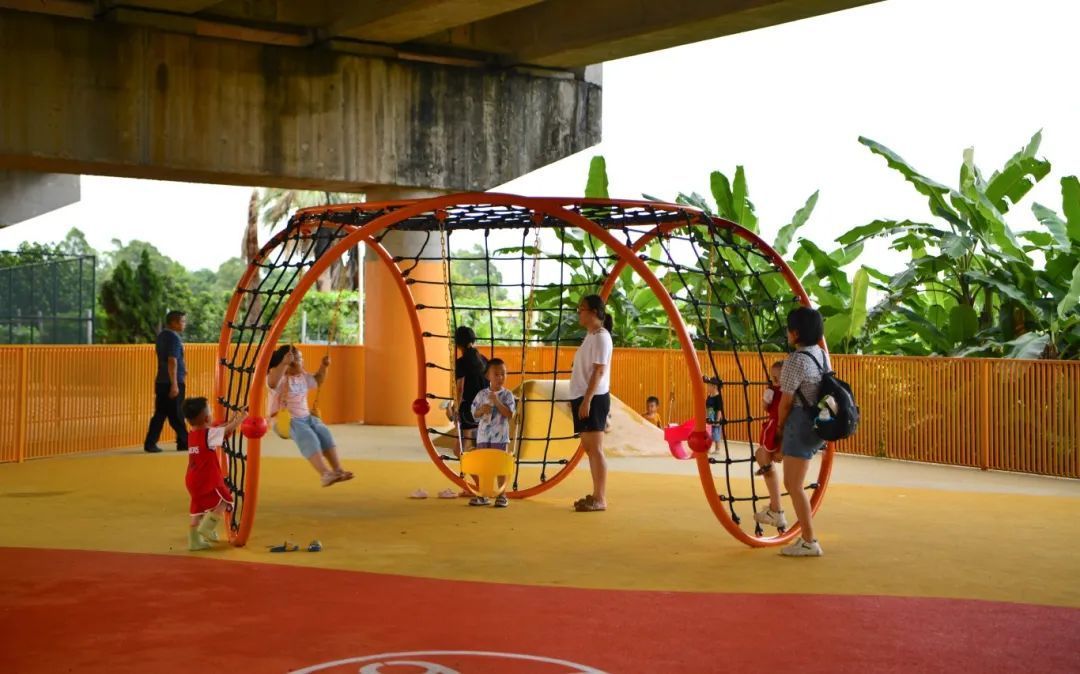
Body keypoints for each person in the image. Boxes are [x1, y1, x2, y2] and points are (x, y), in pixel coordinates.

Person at [754, 307, 829, 557]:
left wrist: (780, 431)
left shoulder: (795, 361)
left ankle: (809, 540)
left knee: (793, 484)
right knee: (764, 454)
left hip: (799, 424)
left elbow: (786, 402)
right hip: (816, 423)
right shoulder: (820, 354)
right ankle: (775, 510)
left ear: (795, 333)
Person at [267, 345, 354, 487]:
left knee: (324, 432)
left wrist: (324, 366)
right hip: (285, 420)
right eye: (299, 359)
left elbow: (318, 379)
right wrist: (283, 364)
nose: (302, 361)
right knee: (308, 436)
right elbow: (272, 383)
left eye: (302, 358)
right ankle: (325, 474)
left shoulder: (303, 376)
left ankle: (338, 470)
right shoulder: (280, 378)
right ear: (289, 362)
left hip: (306, 417)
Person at [182, 397, 246, 551]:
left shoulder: (192, 434)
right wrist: (242, 418)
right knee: (225, 501)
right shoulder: (208, 434)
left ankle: (194, 542)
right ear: (206, 418)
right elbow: (227, 430)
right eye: (209, 410)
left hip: (192, 479)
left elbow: (219, 430)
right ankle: (207, 528)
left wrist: (231, 419)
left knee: (197, 510)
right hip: (206, 478)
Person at [570, 295, 614, 512]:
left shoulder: (601, 337)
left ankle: (600, 498)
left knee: (595, 449)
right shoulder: (591, 336)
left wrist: (587, 400)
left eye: (582, 309)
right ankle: (596, 494)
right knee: (589, 448)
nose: (579, 312)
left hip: (594, 397)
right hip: (583, 396)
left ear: (594, 312)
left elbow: (599, 371)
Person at [467, 358, 516, 508]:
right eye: (496, 374)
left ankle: (502, 495)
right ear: (488, 376)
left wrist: (497, 402)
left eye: (503, 374)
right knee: (483, 466)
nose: (500, 377)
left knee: (500, 465)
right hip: (483, 436)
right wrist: (482, 410)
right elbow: (474, 413)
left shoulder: (507, 395)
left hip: (500, 437)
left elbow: (509, 414)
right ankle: (483, 494)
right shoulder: (481, 394)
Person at [144, 310, 188, 453]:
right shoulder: (174, 338)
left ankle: (151, 442)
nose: (184, 324)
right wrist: (174, 384)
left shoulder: (161, 336)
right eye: (182, 321)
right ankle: (185, 441)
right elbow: (172, 360)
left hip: (161, 380)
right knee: (176, 414)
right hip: (171, 381)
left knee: (161, 413)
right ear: (174, 323)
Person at [453, 326, 488, 457]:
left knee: (460, 449)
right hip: (485, 408)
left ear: (458, 345)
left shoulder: (461, 363)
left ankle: (469, 465)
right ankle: (476, 463)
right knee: (476, 443)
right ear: (473, 340)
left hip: (469, 409)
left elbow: (460, 388)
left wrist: (456, 408)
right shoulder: (484, 359)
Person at [704, 378, 723, 453]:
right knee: (708, 433)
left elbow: (719, 410)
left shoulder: (718, 397)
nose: (707, 387)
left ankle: (717, 448)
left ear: (714, 386)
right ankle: (708, 448)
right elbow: (707, 407)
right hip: (710, 416)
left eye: (709, 386)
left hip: (715, 417)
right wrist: (706, 416)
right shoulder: (709, 396)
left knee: (716, 433)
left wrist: (717, 420)